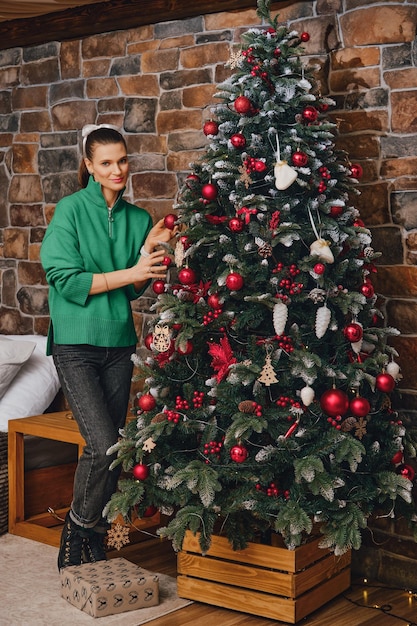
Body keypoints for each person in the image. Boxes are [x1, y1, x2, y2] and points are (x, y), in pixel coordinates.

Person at [40, 123, 176, 570]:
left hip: (118, 343)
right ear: (89, 167)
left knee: (114, 448)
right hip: (75, 343)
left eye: (122, 160)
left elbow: (134, 293)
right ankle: (79, 528)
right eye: (106, 163)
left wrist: (149, 258)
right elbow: (64, 277)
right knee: (101, 444)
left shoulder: (138, 219)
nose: (117, 169)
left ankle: (91, 534)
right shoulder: (70, 210)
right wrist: (132, 272)